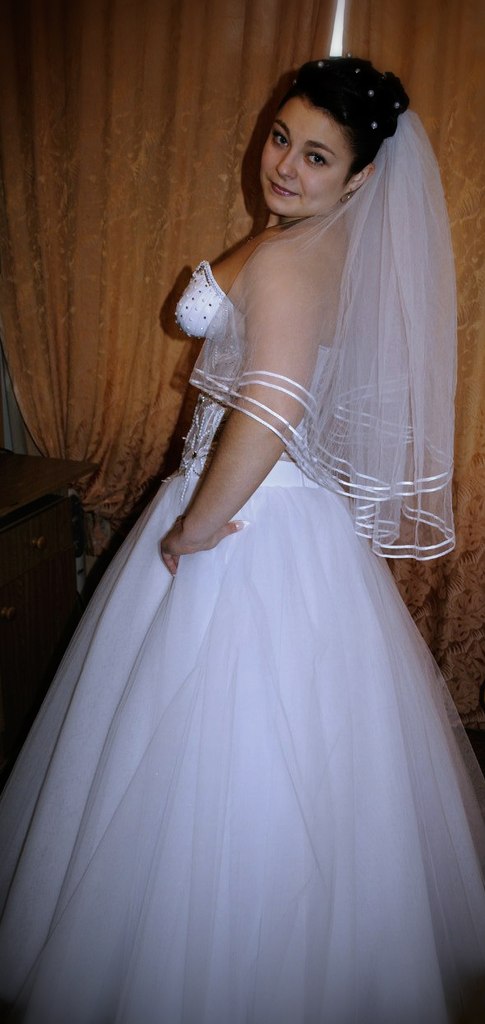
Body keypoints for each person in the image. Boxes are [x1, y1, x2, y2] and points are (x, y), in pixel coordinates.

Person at [0, 56, 484, 1024]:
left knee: (210, 753)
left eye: (316, 156)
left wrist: (193, 524)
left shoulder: (292, 258)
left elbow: (269, 408)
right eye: (279, 138)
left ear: (359, 178)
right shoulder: (303, 243)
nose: (284, 166)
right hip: (278, 517)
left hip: (246, 522)